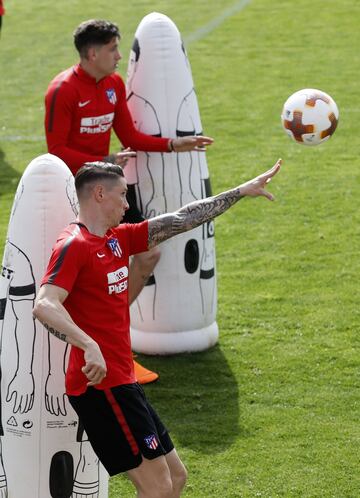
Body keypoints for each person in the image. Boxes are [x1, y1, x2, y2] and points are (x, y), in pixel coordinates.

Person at [32, 158, 281, 497]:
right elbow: (45, 304)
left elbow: (182, 219)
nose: (127, 204)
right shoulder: (74, 245)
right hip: (103, 388)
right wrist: (88, 344)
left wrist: (240, 192)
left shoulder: (117, 239)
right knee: (158, 487)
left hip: (124, 381)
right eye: (122, 195)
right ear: (100, 194)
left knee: (176, 478)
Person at [44, 19, 213, 383]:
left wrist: (173, 144)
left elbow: (129, 134)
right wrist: (102, 165)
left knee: (149, 253)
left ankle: (114, 343)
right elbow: (56, 151)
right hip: (80, 193)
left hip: (107, 191)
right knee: (89, 276)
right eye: (112, 50)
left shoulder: (113, 85)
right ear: (92, 53)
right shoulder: (63, 90)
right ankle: (93, 348)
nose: (120, 56)